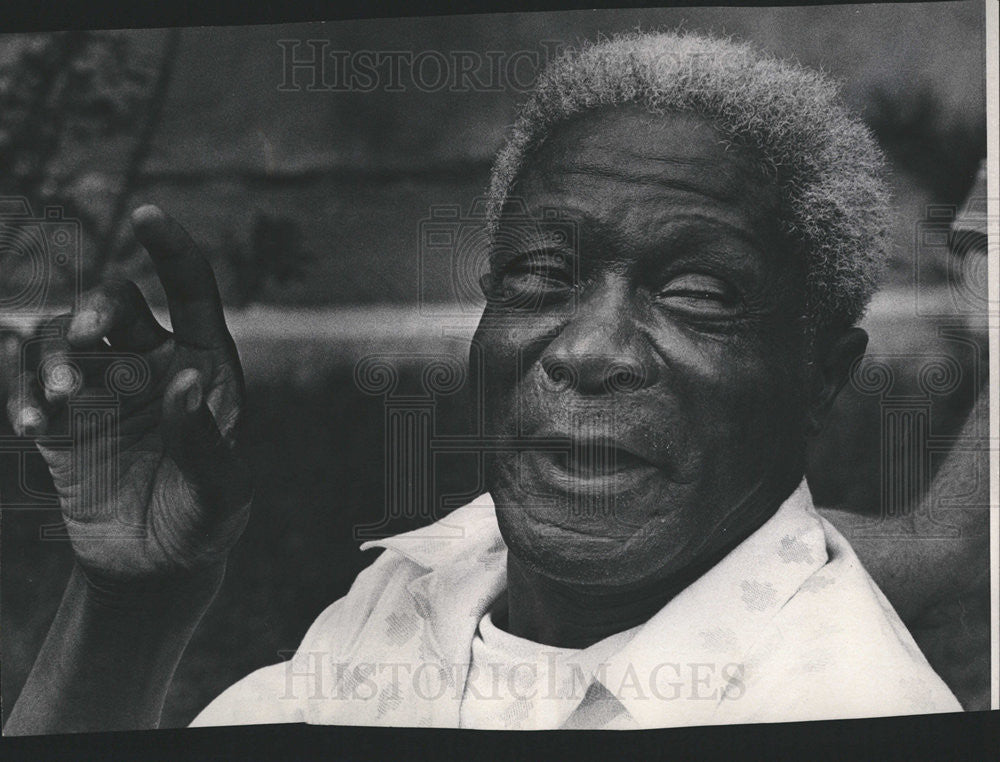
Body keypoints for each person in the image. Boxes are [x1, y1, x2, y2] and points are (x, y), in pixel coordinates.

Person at [4, 31, 965, 734]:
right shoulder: (436, 579)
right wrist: (129, 604)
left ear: (822, 379)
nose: (588, 350)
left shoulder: (838, 709)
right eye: (543, 275)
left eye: (697, 292)